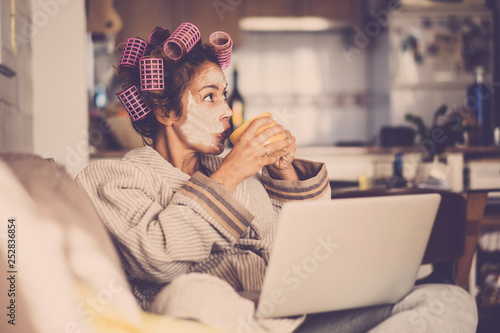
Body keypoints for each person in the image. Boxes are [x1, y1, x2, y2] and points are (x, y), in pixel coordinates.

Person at [76, 25, 478, 333]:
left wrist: (284, 173)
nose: (227, 112)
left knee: (449, 301)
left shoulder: (231, 169)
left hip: (292, 314)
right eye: (210, 96)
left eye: (225, 95)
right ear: (164, 112)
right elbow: (156, 257)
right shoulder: (113, 177)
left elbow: (305, 244)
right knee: (192, 293)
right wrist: (233, 170)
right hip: (216, 318)